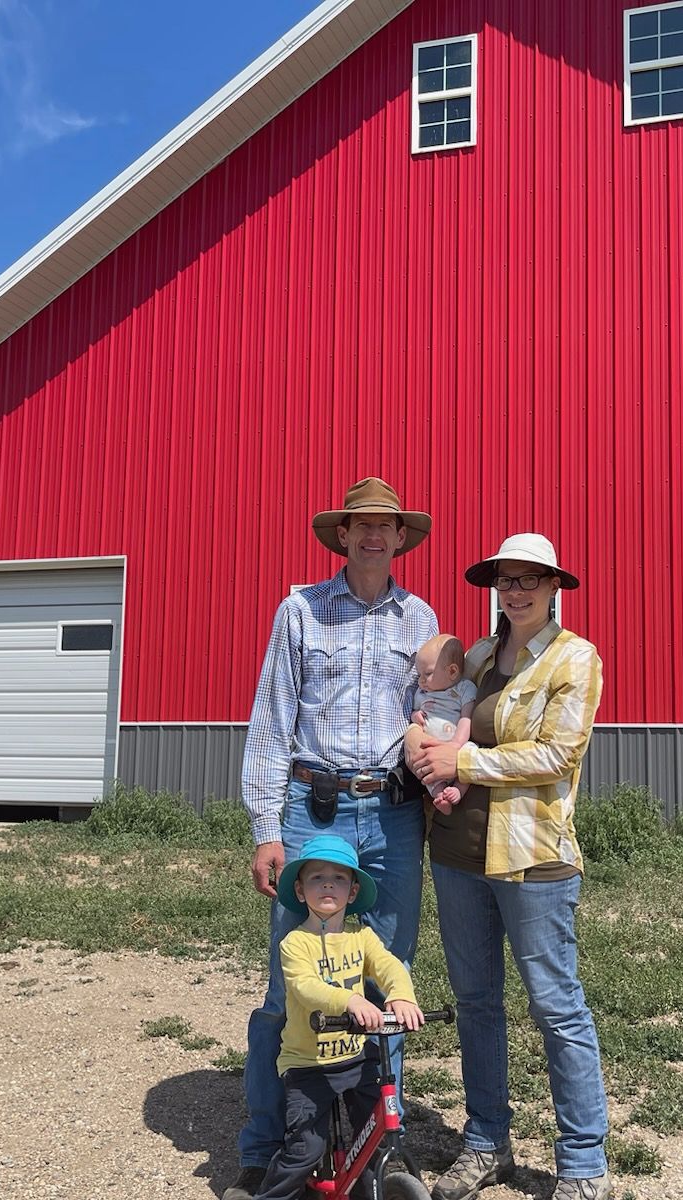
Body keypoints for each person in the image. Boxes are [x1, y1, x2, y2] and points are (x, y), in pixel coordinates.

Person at [228, 477, 438, 1200]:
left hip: (391, 814)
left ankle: (378, 1142)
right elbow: (270, 721)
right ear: (342, 536)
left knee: (388, 973)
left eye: (387, 526)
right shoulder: (301, 612)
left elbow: (432, 716)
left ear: (402, 538)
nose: (375, 536)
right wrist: (265, 829)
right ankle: (267, 1144)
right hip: (310, 809)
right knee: (287, 983)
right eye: (361, 525)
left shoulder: (419, 619)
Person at [406, 533, 612, 1200]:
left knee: (557, 1008)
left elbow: (557, 755)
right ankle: (487, 1141)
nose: (517, 591)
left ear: (555, 588)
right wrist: (420, 742)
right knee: (476, 1004)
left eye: (531, 579)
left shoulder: (575, 660)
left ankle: (583, 1165)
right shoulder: (479, 655)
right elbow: (440, 715)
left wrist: (462, 763)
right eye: (507, 580)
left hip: (534, 859)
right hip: (459, 854)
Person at [254, 834, 425, 1200]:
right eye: (316, 878)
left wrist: (401, 994)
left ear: (352, 892)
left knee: (375, 1133)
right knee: (305, 1150)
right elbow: (305, 988)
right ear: (300, 892)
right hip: (307, 1064)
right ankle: (271, 1195)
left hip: (355, 1057)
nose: (328, 883)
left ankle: (370, 1190)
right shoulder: (294, 943)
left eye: (339, 878)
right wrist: (350, 1000)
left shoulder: (361, 937)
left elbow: (389, 966)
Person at [411, 634, 477, 813]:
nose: (421, 680)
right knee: (425, 763)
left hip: (457, 748)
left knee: (472, 751)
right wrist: (415, 716)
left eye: (428, 674)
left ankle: (458, 789)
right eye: (419, 675)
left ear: (452, 671)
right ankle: (440, 796)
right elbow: (415, 712)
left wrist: (457, 744)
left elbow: (466, 718)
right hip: (432, 748)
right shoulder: (422, 692)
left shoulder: (464, 688)